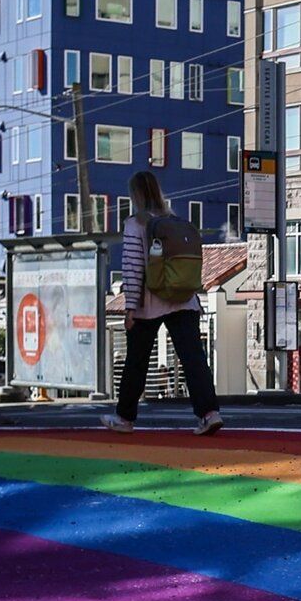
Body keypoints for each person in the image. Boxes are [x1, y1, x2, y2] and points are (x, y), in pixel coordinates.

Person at [104, 170, 222, 434]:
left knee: (136, 360)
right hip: (184, 299)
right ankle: (209, 413)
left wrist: (130, 308)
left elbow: (133, 268)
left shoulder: (136, 224)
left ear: (135, 195)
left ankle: (124, 419)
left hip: (150, 301)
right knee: (193, 358)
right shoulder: (175, 221)